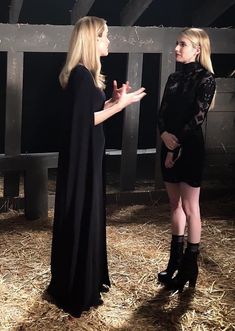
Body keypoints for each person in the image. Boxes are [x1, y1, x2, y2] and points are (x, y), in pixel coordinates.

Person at [47, 16, 146, 317]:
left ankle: (82, 278)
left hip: (87, 155)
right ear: (92, 40)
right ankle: (76, 286)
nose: (108, 41)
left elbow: (87, 113)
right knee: (81, 212)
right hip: (82, 159)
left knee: (87, 212)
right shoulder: (79, 75)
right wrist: (120, 105)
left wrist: (110, 103)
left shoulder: (84, 75)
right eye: (104, 36)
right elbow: (82, 121)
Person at [157, 28, 216, 292]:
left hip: (189, 147)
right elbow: (161, 112)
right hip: (168, 142)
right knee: (174, 203)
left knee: (191, 207)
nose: (177, 48)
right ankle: (175, 261)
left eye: (183, 44)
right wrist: (164, 135)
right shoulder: (172, 77)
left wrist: (174, 144)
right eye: (177, 44)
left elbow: (198, 117)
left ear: (198, 49)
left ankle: (190, 265)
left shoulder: (206, 79)